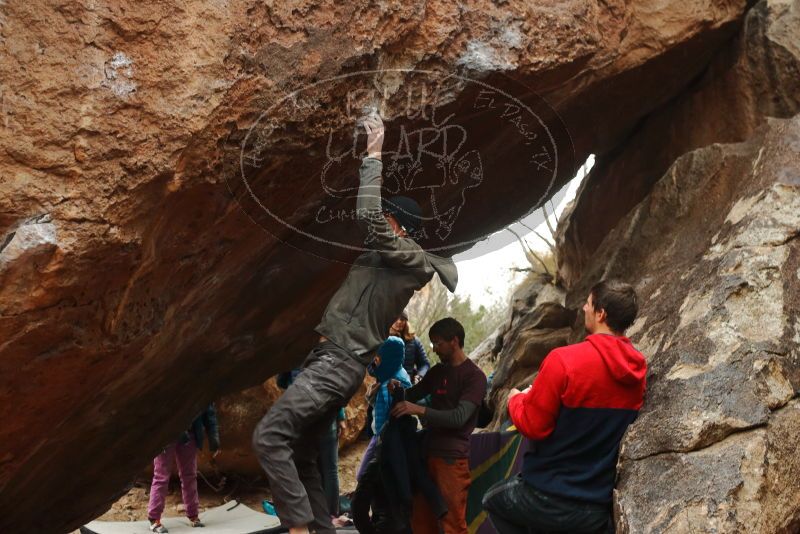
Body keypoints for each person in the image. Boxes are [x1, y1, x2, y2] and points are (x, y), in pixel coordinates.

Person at [252, 113, 458, 534]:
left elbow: (367, 215)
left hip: (337, 364)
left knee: (269, 436)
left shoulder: (407, 256)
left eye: (387, 217)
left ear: (398, 227)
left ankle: (295, 528)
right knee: (303, 456)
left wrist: (374, 154)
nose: (380, 220)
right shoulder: (390, 259)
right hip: (330, 360)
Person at [482, 280, 647, 534]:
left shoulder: (564, 361)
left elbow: (534, 426)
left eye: (589, 303)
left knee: (492, 501)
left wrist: (516, 398)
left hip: (549, 493)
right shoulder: (637, 373)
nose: (583, 308)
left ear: (601, 313)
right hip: (595, 505)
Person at [390, 317, 487, 534]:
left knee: (452, 525)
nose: (434, 350)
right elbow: (412, 395)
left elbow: (459, 417)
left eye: (438, 343)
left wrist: (418, 410)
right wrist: (395, 389)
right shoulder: (437, 372)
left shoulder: (475, 377)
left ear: (454, 341)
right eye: (432, 344)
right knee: (422, 523)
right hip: (425, 456)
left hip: (451, 461)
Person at [276, 369, 348, 524]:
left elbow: (280, 382)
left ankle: (310, 512)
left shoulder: (294, 356)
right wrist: (341, 417)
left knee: (307, 468)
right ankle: (331, 513)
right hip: (327, 420)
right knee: (330, 470)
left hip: (304, 423)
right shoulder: (327, 355)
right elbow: (337, 387)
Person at [147, 404, 220, 533]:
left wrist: (213, 434)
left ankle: (193, 515)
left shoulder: (201, 384)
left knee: (189, 475)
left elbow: (208, 408)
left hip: (190, 433)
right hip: (166, 433)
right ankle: (154, 519)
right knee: (161, 476)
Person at [356, 336, 413, 481]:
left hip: (385, 436)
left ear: (387, 357)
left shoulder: (395, 382)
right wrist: (371, 397)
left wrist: (382, 437)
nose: (376, 361)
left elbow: (392, 412)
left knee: (362, 475)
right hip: (383, 434)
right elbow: (380, 406)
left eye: (378, 358)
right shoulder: (391, 373)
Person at [390, 311, 431, 383]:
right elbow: (372, 363)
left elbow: (424, 364)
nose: (399, 321)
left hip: (405, 386)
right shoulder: (381, 337)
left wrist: (420, 375)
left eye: (402, 319)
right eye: (396, 318)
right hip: (383, 385)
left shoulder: (414, 341)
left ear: (406, 321)